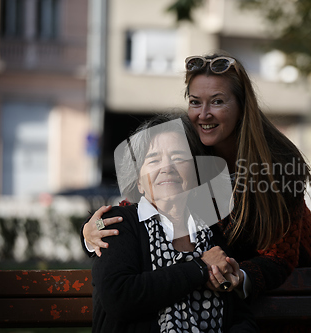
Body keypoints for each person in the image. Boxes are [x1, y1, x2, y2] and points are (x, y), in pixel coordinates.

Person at [83, 53, 311, 331]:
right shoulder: (194, 146)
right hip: (225, 288)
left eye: (217, 101)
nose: (203, 114)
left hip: (302, 288)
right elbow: (148, 203)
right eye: (195, 102)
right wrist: (93, 229)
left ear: (241, 105)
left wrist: (236, 274)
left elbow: (280, 257)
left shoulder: (277, 162)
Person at [92, 115, 258, 332]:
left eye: (178, 157)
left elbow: (239, 315)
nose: (167, 167)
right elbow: (119, 296)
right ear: (139, 182)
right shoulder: (118, 223)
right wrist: (200, 268)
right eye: (153, 160)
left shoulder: (212, 232)